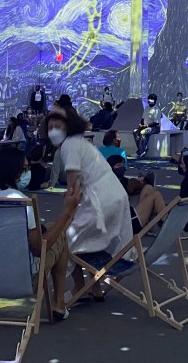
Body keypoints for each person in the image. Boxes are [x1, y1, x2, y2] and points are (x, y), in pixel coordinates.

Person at [0, 147, 80, 322]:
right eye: (25, 169)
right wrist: (68, 211)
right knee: (59, 235)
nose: (27, 173)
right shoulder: (20, 201)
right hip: (21, 279)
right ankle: (59, 303)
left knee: (50, 227)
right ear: (16, 172)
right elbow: (39, 249)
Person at [46, 108, 133, 301]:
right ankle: (94, 287)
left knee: (66, 242)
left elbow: (73, 189)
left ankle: (77, 288)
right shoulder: (81, 141)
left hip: (101, 203)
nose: (53, 131)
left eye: (57, 126)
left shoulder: (69, 146)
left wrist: (68, 216)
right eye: (50, 127)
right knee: (88, 241)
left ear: (68, 126)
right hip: (115, 197)